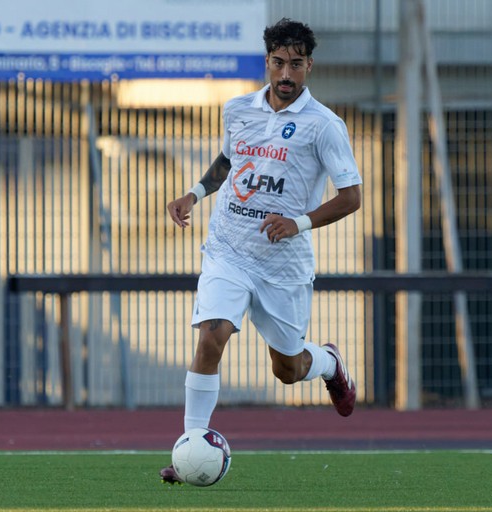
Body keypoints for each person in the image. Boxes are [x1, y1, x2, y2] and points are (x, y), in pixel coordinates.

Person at [160, 18, 362, 484]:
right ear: (267, 61)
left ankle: (328, 363)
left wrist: (299, 222)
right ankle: (190, 446)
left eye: (296, 64)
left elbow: (352, 197)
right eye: (278, 62)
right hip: (228, 249)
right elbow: (229, 160)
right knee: (211, 336)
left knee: (287, 370)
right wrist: (194, 193)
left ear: (309, 66)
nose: (286, 74)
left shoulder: (325, 126)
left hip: (282, 265)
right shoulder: (238, 109)